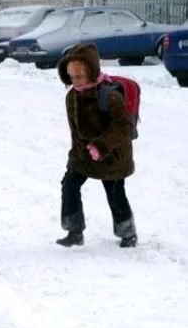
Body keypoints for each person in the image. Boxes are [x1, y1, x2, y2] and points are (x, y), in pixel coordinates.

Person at [56, 44, 137, 248]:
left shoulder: (109, 96)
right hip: (84, 154)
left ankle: (128, 233)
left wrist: (101, 146)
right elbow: (76, 132)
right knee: (69, 185)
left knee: (115, 193)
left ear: (92, 72)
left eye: (79, 77)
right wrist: (75, 157)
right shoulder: (72, 96)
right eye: (71, 77)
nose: (75, 82)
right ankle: (74, 231)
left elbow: (123, 127)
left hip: (113, 154)